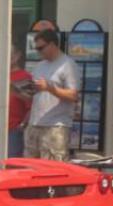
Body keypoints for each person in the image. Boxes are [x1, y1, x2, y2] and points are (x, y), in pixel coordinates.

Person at [24, 29, 79, 161]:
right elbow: (35, 95)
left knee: (52, 169)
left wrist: (49, 88)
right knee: (29, 167)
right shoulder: (39, 66)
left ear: (53, 45)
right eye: (36, 48)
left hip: (55, 126)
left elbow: (73, 95)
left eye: (41, 48)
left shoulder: (67, 65)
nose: (38, 51)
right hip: (35, 123)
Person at [8, 44, 32, 157]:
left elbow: (31, 106)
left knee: (11, 166)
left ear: (17, 56)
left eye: (9, 53)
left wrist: (22, 126)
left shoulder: (24, 77)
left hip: (13, 131)